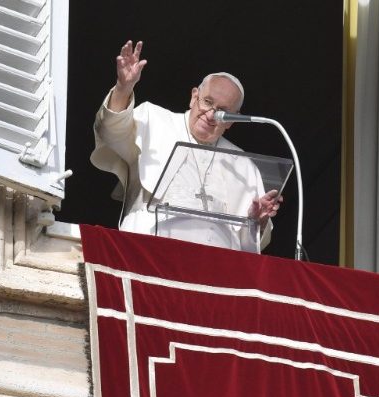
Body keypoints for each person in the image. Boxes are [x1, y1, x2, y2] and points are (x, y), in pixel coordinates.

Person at [91, 40, 282, 252]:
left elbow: (249, 246)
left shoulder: (243, 165)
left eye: (222, 111)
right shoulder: (154, 120)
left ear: (232, 121)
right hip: (149, 251)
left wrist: (256, 221)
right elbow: (109, 130)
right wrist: (123, 87)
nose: (211, 115)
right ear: (194, 97)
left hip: (215, 269)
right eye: (208, 102)